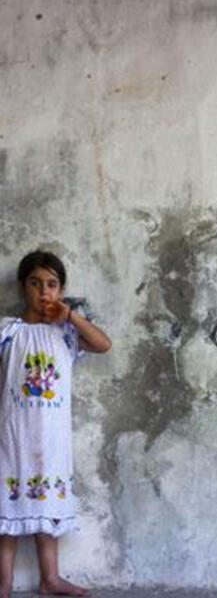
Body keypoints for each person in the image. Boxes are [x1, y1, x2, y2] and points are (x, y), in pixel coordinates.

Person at [0, 251, 111, 598]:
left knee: (46, 501)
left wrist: (71, 317)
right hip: (13, 436)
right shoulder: (8, 331)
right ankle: (2, 583)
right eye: (35, 283)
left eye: (51, 284)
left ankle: (50, 578)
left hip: (51, 438)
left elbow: (103, 344)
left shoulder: (65, 334)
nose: (43, 291)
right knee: (6, 506)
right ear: (22, 287)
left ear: (61, 290)